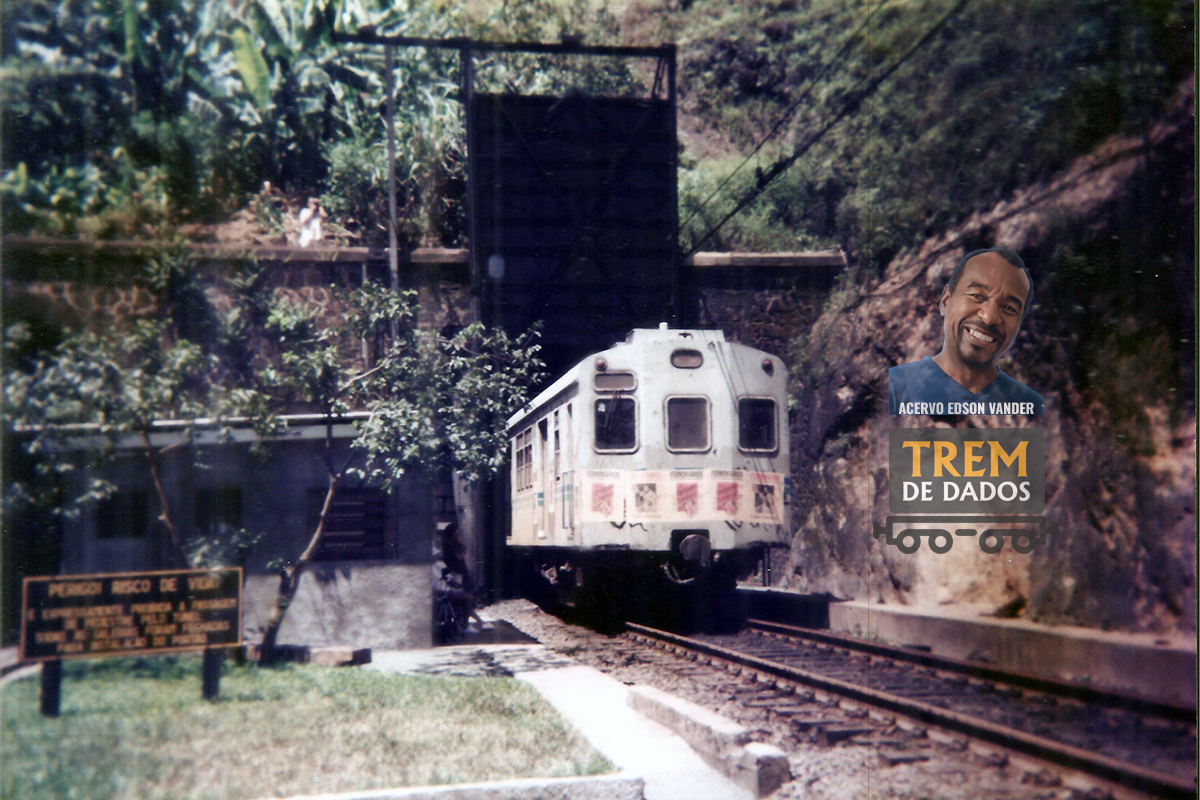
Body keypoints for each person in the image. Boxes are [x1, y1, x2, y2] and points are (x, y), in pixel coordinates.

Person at [888, 247, 1044, 415]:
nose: (989, 317)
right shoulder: (893, 389)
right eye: (977, 296)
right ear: (946, 300)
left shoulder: (1028, 409)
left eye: (1008, 308)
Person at [437, 524, 490, 632]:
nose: (459, 535)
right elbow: (456, 562)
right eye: (457, 533)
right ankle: (468, 623)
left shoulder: (456, 546)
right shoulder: (449, 548)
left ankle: (474, 622)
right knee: (467, 599)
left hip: (462, 575)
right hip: (457, 576)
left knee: (469, 598)